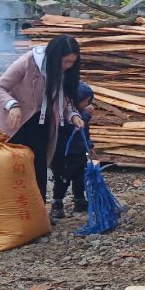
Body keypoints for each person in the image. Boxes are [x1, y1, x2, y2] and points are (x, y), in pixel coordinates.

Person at [0, 35, 85, 203]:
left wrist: (73, 115)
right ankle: (6, 208)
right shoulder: (29, 61)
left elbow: (64, 100)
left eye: (72, 62)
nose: (68, 66)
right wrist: (13, 105)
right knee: (9, 163)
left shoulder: (65, 72)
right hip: (12, 120)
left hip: (39, 121)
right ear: (54, 57)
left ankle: (37, 210)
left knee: (38, 164)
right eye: (65, 62)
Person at [50, 82, 96, 220]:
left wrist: (90, 146)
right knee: (62, 179)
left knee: (79, 177)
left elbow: (85, 133)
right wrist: (86, 115)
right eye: (85, 101)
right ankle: (57, 204)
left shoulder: (80, 114)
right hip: (63, 154)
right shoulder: (64, 115)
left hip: (79, 153)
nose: (87, 104)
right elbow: (76, 127)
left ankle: (79, 200)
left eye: (89, 101)